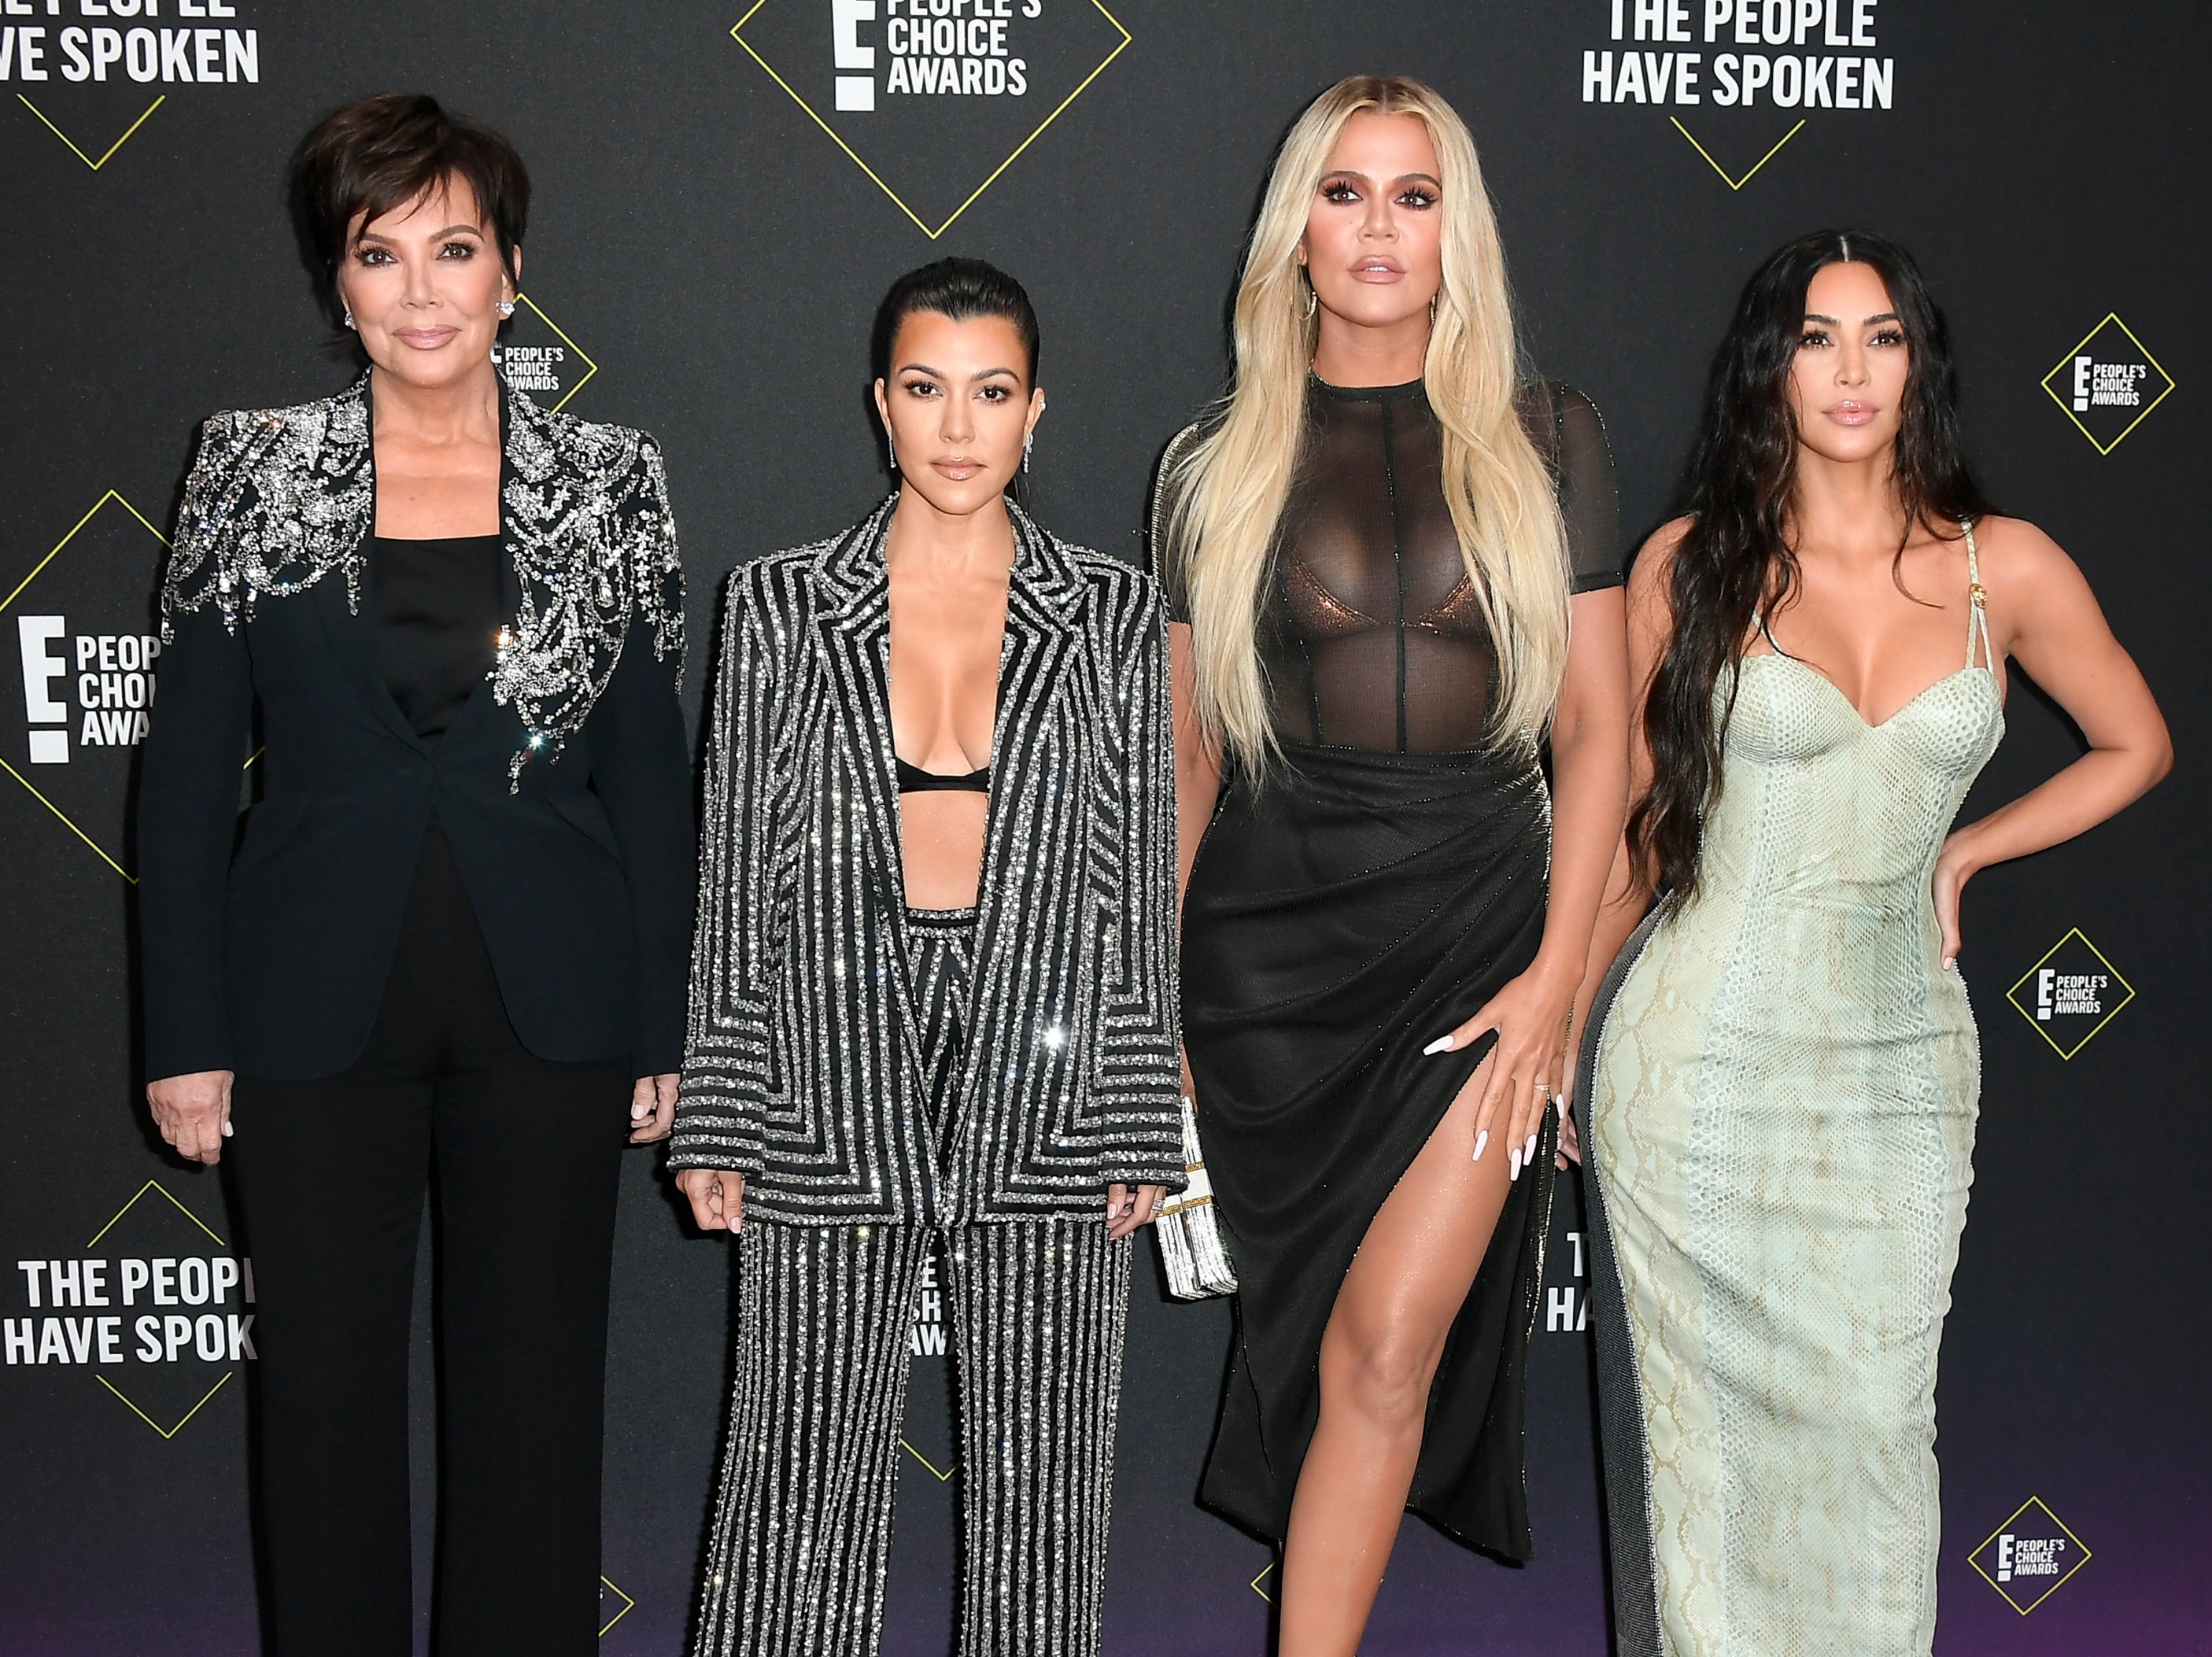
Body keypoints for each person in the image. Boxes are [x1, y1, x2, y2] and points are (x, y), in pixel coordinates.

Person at [135, 93, 693, 1657]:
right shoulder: (246, 468)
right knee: (317, 1405)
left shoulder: (612, 477)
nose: (423, 290)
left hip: (555, 1007)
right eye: (380, 255)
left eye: (455, 249)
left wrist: (666, 1027)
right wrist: (183, 1034)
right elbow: (182, 779)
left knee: (533, 1406)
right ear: (338, 284)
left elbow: (651, 770)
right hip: (308, 1004)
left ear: (512, 269)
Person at [1577, 230, 2171, 1657]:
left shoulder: (2000, 565)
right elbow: (1631, 827)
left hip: (1902, 1063)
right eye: (1818, 337)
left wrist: (1970, 844)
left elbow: (2136, 742)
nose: (1852, 371)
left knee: (1877, 1432)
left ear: (1921, 364)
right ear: (1768, 369)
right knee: (1708, 1463)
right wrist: (1560, 1021)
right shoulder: (1689, 566)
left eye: (1883, 336)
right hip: (1697, 1067)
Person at [1155, 76, 1629, 1652]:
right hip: (1267, 969)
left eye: (1413, 197)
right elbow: (1189, 766)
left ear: (1455, 234)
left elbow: (1600, 744)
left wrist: (1559, 986)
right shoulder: (1208, 467)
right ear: (1293, 227)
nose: (1375, 229)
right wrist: (1161, 1019)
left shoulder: (1548, 438)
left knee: (1383, 1352)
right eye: (1344, 193)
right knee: (1324, 1354)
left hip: (1477, 949)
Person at [670, 257, 1184, 1657]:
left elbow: (1132, 873)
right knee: (794, 1488)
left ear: (1037, 413)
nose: (959, 427)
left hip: (1051, 1061)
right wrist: (722, 1095)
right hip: (830, 1058)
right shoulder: (778, 606)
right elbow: (736, 877)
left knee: (1045, 1501)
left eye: (992, 391)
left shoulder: (1116, 613)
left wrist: (1137, 1102)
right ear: (880, 406)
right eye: (926, 388)